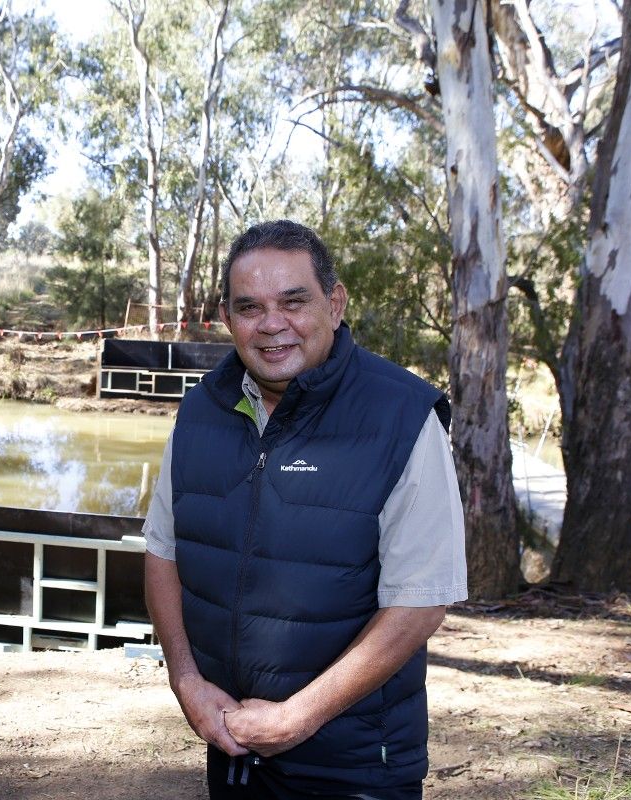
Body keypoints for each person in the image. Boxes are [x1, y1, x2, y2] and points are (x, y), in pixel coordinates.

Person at [143, 219, 467, 800]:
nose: (271, 325)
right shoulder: (200, 412)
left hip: (358, 766)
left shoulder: (403, 418)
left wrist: (298, 717)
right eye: (250, 307)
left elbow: (422, 599)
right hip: (232, 747)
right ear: (227, 318)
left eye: (293, 301)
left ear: (335, 304)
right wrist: (186, 679)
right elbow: (163, 553)